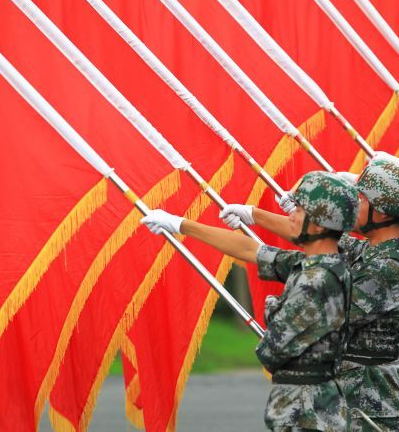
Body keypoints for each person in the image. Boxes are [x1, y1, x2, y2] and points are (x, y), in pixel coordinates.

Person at [140, 171, 354, 431]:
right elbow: (250, 250)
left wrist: (273, 309)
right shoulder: (330, 264)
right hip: (317, 405)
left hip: (306, 412)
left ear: (319, 224)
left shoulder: (313, 280)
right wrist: (180, 224)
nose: (291, 216)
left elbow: (271, 351)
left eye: (299, 209)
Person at [221, 160, 399, 431]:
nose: (355, 204)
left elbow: (330, 313)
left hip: (372, 400)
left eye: (361, 198)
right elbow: (331, 243)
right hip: (356, 395)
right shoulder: (377, 252)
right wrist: (256, 215)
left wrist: (277, 309)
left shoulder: (386, 266)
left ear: (383, 213)